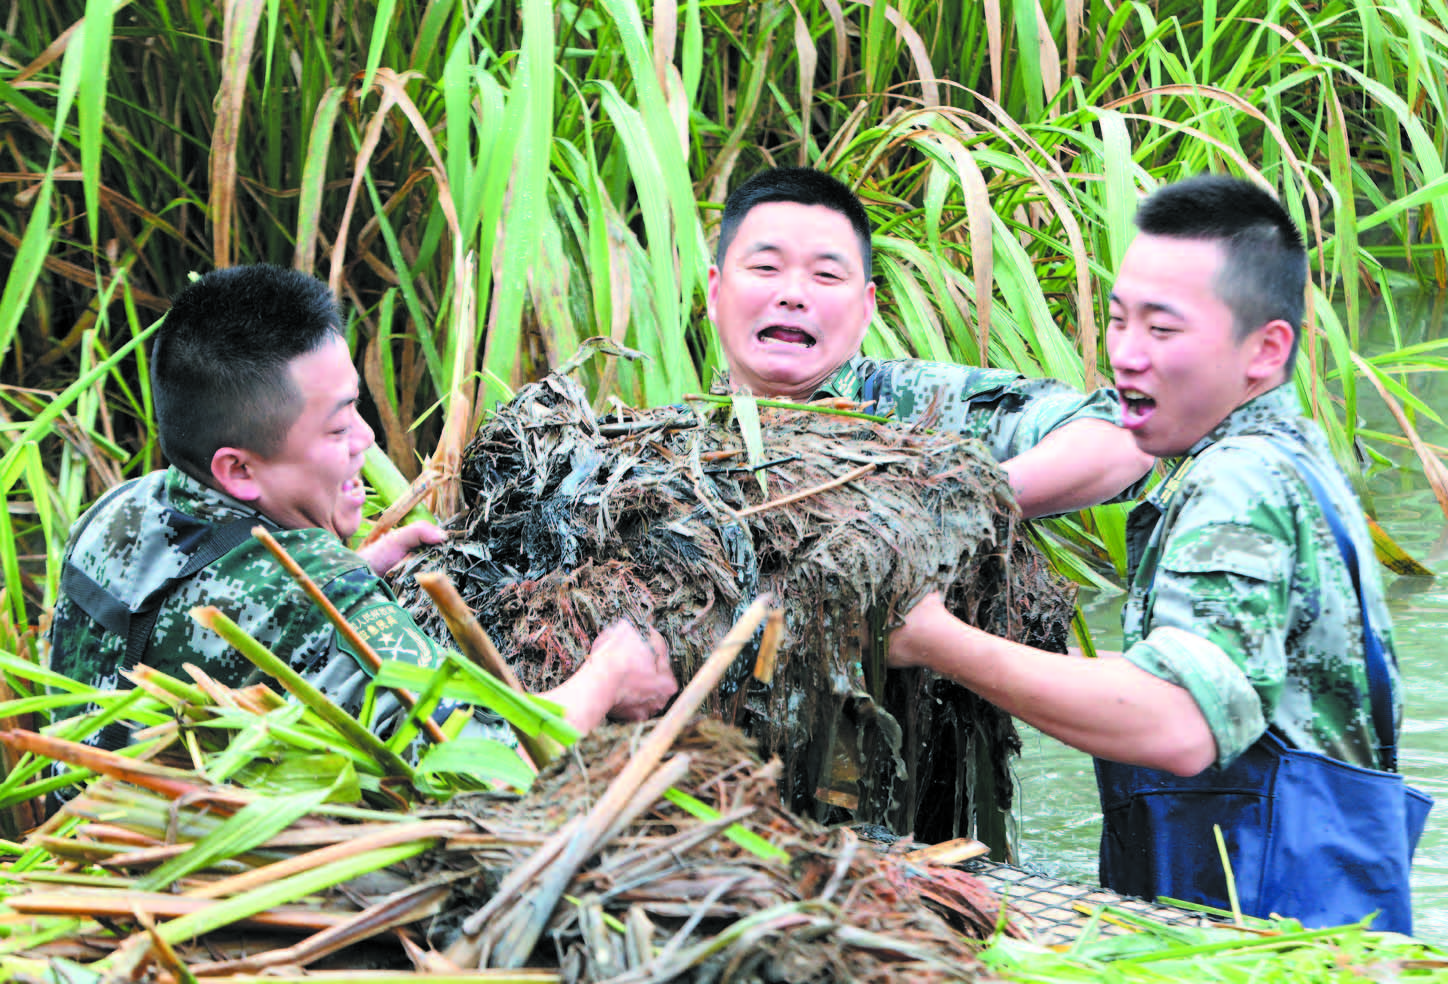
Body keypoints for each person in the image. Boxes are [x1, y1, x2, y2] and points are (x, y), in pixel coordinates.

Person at [886, 175, 1427, 931]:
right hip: (1321, 927)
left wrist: (939, 641)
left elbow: (1178, 723)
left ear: (1265, 350)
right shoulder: (1284, 459)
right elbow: (1224, 682)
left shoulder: (1239, 480)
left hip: (1265, 940)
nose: (1125, 357)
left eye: (1163, 331)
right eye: (1117, 323)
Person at [46, 264, 677, 747]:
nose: (366, 440)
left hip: (89, 842)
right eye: (337, 425)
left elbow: (193, 610)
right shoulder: (314, 598)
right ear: (237, 468)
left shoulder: (117, 510)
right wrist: (606, 679)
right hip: (206, 894)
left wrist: (358, 568)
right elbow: (486, 762)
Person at [707, 166, 1154, 518]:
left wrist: (937, 507)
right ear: (715, 293)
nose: (793, 295)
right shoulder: (671, 442)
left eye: (826, 275)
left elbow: (1123, 441)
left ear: (866, 310)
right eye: (766, 268)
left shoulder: (913, 404)